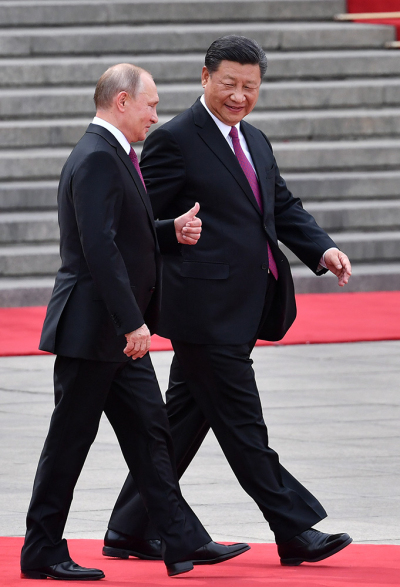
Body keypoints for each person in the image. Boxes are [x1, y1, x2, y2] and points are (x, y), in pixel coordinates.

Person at [104, 38, 354, 567]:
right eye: (230, 84)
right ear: (205, 77)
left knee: (180, 423)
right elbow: (136, 221)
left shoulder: (255, 140)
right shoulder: (174, 139)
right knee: (243, 424)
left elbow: (280, 206)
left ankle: (130, 527)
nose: (240, 96)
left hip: (246, 304)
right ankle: (294, 528)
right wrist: (169, 240)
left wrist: (322, 249)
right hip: (202, 311)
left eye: (250, 87)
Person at [19, 63, 251, 581]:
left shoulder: (114, 154)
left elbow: (122, 231)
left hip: (118, 335)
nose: (155, 115)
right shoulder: (97, 157)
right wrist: (131, 322)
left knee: (151, 435)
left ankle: (177, 539)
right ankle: (42, 550)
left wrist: (169, 231)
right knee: (68, 444)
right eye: (150, 105)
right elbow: (98, 249)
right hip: (94, 331)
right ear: (122, 101)